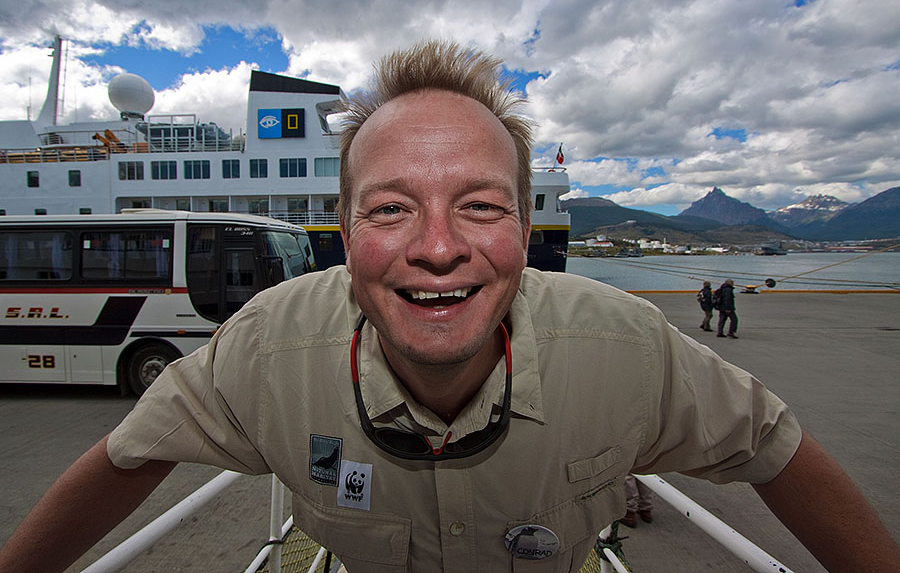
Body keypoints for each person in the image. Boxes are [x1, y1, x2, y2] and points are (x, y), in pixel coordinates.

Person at [2, 40, 899, 573]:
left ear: (523, 228)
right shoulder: (260, 356)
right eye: (391, 208)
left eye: (479, 203)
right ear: (344, 238)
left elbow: (774, 451)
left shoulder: (627, 349)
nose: (438, 246)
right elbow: (122, 460)